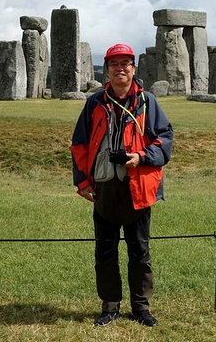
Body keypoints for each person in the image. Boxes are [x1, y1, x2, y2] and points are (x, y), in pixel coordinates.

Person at [71, 43, 173, 327]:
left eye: (126, 63)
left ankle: (141, 306)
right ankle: (110, 305)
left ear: (133, 69)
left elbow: (164, 139)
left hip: (137, 185)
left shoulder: (147, 102)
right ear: (107, 69)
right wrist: (82, 182)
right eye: (115, 64)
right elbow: (78, 144)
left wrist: (140, 157)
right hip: (104, 186)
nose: (120, 68)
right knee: (105, 250)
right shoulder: (95, 103)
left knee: (139, 250)